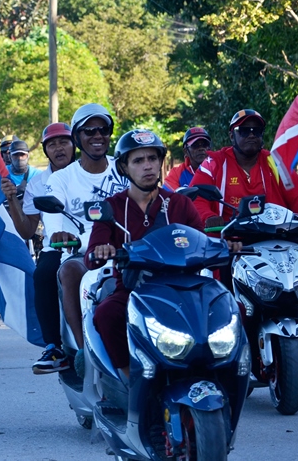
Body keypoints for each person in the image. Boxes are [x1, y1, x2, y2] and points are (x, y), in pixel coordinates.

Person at [86, 129, 208, 376]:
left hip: (182, 290)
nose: (148, 166)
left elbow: (203, 242)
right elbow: (90, 258)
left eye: (152, 158)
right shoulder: (110, 207)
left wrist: (226, 245)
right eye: (138, 161)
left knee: (226, 308)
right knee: (106, 314)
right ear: (124, 168)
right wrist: (101, 250)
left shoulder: (179, 204)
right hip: (133, 290)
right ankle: (127, 378)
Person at [189, 109, 298, 314]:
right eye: (244, 130)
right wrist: (209, 217)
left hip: (277, 237)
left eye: (256, 131)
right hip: (234, 240)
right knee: (222, 261)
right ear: (232, 135)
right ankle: (230, 318)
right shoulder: (214, 162)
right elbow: (198, 198)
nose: (251, 134)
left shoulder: (275, 162)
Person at [44, 104, 128, 370]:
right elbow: (53, 216)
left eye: (103, 130)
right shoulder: (62, 179)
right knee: (68, 271)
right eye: (89, 130)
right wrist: (60, 231)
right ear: (78, 138)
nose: (97, 136)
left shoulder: (126, 167)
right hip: (84, 253)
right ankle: (85, 354)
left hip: (131, 251)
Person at [1, 122, 76, 373]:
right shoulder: (38, 184)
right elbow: (27, 230)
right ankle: (54, 346)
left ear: (74, 144)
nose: (59, 148)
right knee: (42, 275)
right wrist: (12, 199)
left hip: (98, 243)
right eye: (52, 144)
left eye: (63, 142)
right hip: (57, 248)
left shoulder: (89, 172)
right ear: (45, 151)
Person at [163, 127, 212, 191]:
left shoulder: (219, 168)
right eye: (195, 145)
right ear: (186, 151)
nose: (201, 148)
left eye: (205, 145)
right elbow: (167, 196)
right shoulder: (176, 174)